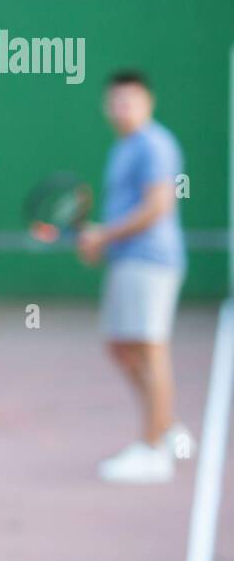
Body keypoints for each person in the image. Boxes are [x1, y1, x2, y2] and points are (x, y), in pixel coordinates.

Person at [78, 70, 191, 484]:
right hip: (127, 260)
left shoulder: (154, 144)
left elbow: (158, 206)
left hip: (151, 261)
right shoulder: (123, 147)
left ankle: (154, 450)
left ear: (148, 103)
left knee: (149, 348)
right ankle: (165, 424)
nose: (121, 108)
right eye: (115, 101)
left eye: (130, 100)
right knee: (120, 346)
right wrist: (103, 243)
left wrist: (103, 235)